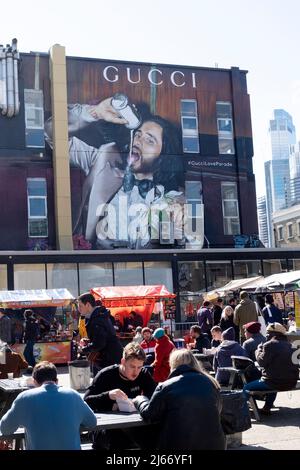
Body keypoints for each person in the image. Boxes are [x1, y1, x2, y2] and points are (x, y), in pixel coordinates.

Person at [45, 96, 186, 249]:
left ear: (164, 157)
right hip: (93, 269)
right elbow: (52, 132)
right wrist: (95, 112)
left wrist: (180, 216)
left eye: (150, 140)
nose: (138, 141)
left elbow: (189, 238)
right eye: (137, 135)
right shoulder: (103, 162)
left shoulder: (171, 198)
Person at [133, 348, 225, 450]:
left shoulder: (166, 386)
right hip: (215, 444)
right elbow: (218, 409)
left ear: (173, 364)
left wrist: (139, 399)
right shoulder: (211, 383)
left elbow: (149, 414)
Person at [0, 361, 96, 450]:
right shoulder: (73, 395)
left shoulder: (25, 397)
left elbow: (5, 429)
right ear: (57, 381)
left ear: (34, 382)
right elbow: (92, 422)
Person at [84, 342, 157, 450]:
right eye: (132, 366)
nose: (136, 372)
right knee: (117, 439)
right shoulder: (105, 374)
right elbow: (86, 401)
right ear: (123, 362)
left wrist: (141, 401)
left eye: (139, 367)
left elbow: (154, 398)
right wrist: (108, 395)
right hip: (106, 427)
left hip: (132, 424)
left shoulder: (144, 374)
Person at [244, 322, 299, 416]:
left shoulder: (269, 345)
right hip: (291, 382)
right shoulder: (291, 345)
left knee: (246, 388)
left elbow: (261, 362)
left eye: (268, 333)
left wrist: (258, 350)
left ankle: (241, 411)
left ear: (274, 334)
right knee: (273, 378)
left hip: (274, 382)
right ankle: (267, 408)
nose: (266, 335)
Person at [77, 293, 123, 375]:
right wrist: (89, 341)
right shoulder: (98, 316)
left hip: (109, 359)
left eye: (80, 306)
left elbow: (99, 344)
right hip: (111, 356)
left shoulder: (97, 320)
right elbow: (102, 338)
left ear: (87, 305)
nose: (78, 309)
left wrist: (83, 349)